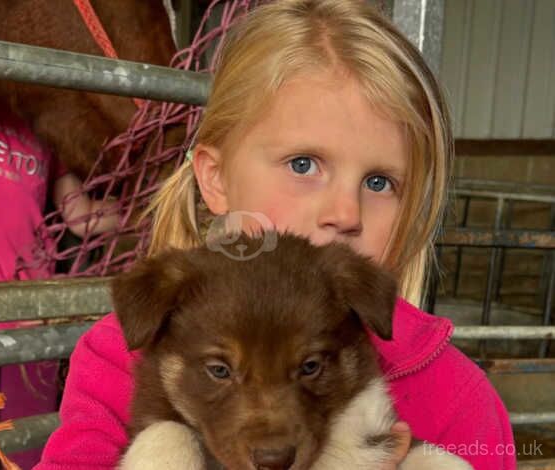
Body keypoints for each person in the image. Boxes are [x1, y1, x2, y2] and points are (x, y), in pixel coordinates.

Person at [36, 1, 515, 469]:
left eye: (378, 182)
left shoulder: (458, 397)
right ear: (216, 178)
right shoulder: (119, 354)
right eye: (302, 164)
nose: (344, 213)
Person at [0, 75, 118, 470]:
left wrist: (146, 208)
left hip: (34, 310)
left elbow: (79, 216)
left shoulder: (46, 117)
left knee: (33, 451)